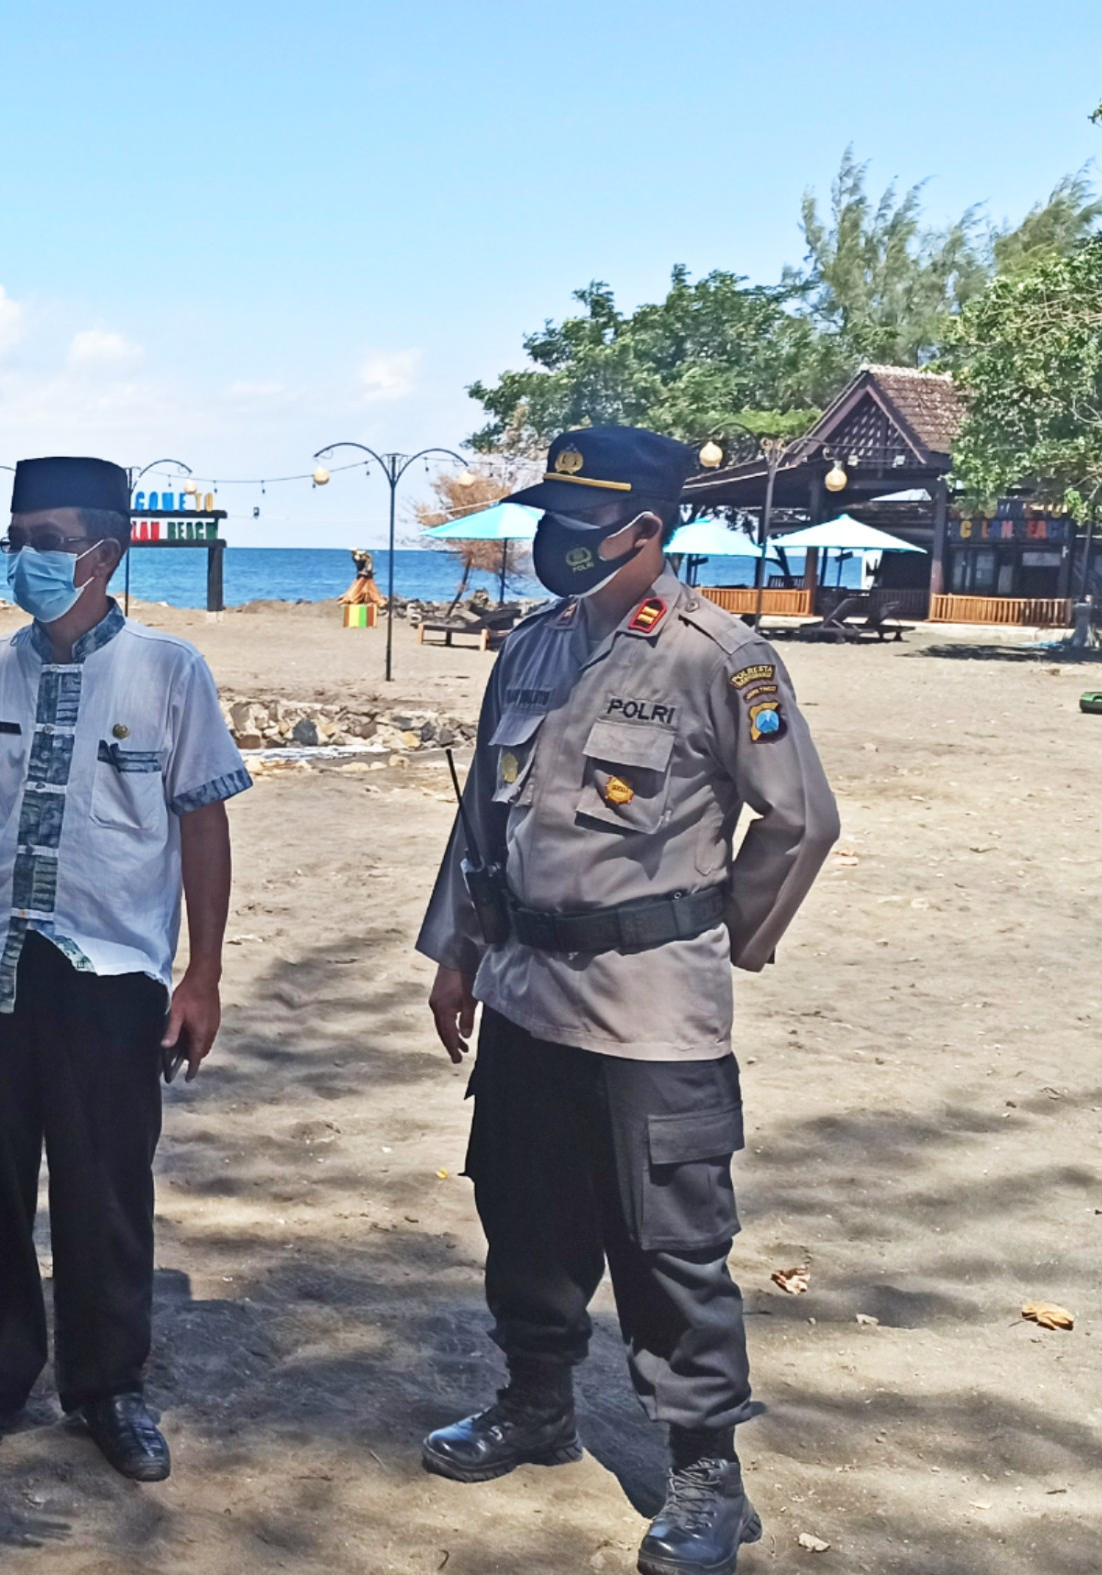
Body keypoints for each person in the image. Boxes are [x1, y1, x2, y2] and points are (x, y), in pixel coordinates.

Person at [415, 426, 839, 1575]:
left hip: (652, 1010)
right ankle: (535, 1404)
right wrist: (455, 952)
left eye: (581, 521)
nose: (556, 540)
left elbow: (799, 820)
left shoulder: (721, 657)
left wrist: (715, 934)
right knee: (522, 1213)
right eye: (548, 517)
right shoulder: (532, 650)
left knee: (671, 1242)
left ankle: (706, 1471)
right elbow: (483, 824)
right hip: (525, 990)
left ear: (646, 530)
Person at [0, 456, 248, 1482]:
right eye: (16, 537)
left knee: (104, 1189)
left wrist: (203, 976)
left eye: (48, 539)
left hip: (112, 977)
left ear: (106, 552)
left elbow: (202, 824)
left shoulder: (169, 672)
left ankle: (107, 1390)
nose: (27, 558)